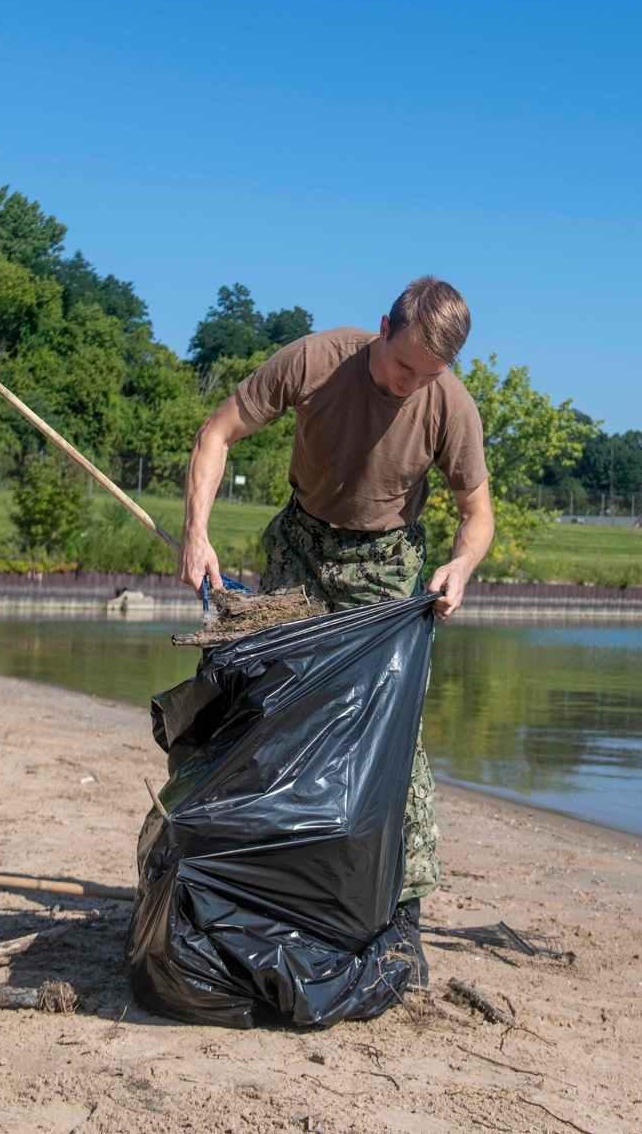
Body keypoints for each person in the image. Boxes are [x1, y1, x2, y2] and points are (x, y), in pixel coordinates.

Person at [178, 275, 494, 922]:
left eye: (429, 374)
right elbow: (216, 434)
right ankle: (253, 869)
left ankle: (401, 903)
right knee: (270, 705)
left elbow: (477, 513)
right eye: (405, 365)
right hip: (302, 545)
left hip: (386, 564)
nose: (412, 384)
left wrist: (460, 566)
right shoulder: (316, 360)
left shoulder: (450, 405)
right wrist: (197, 536)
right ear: (382, 328)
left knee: (389, 725)